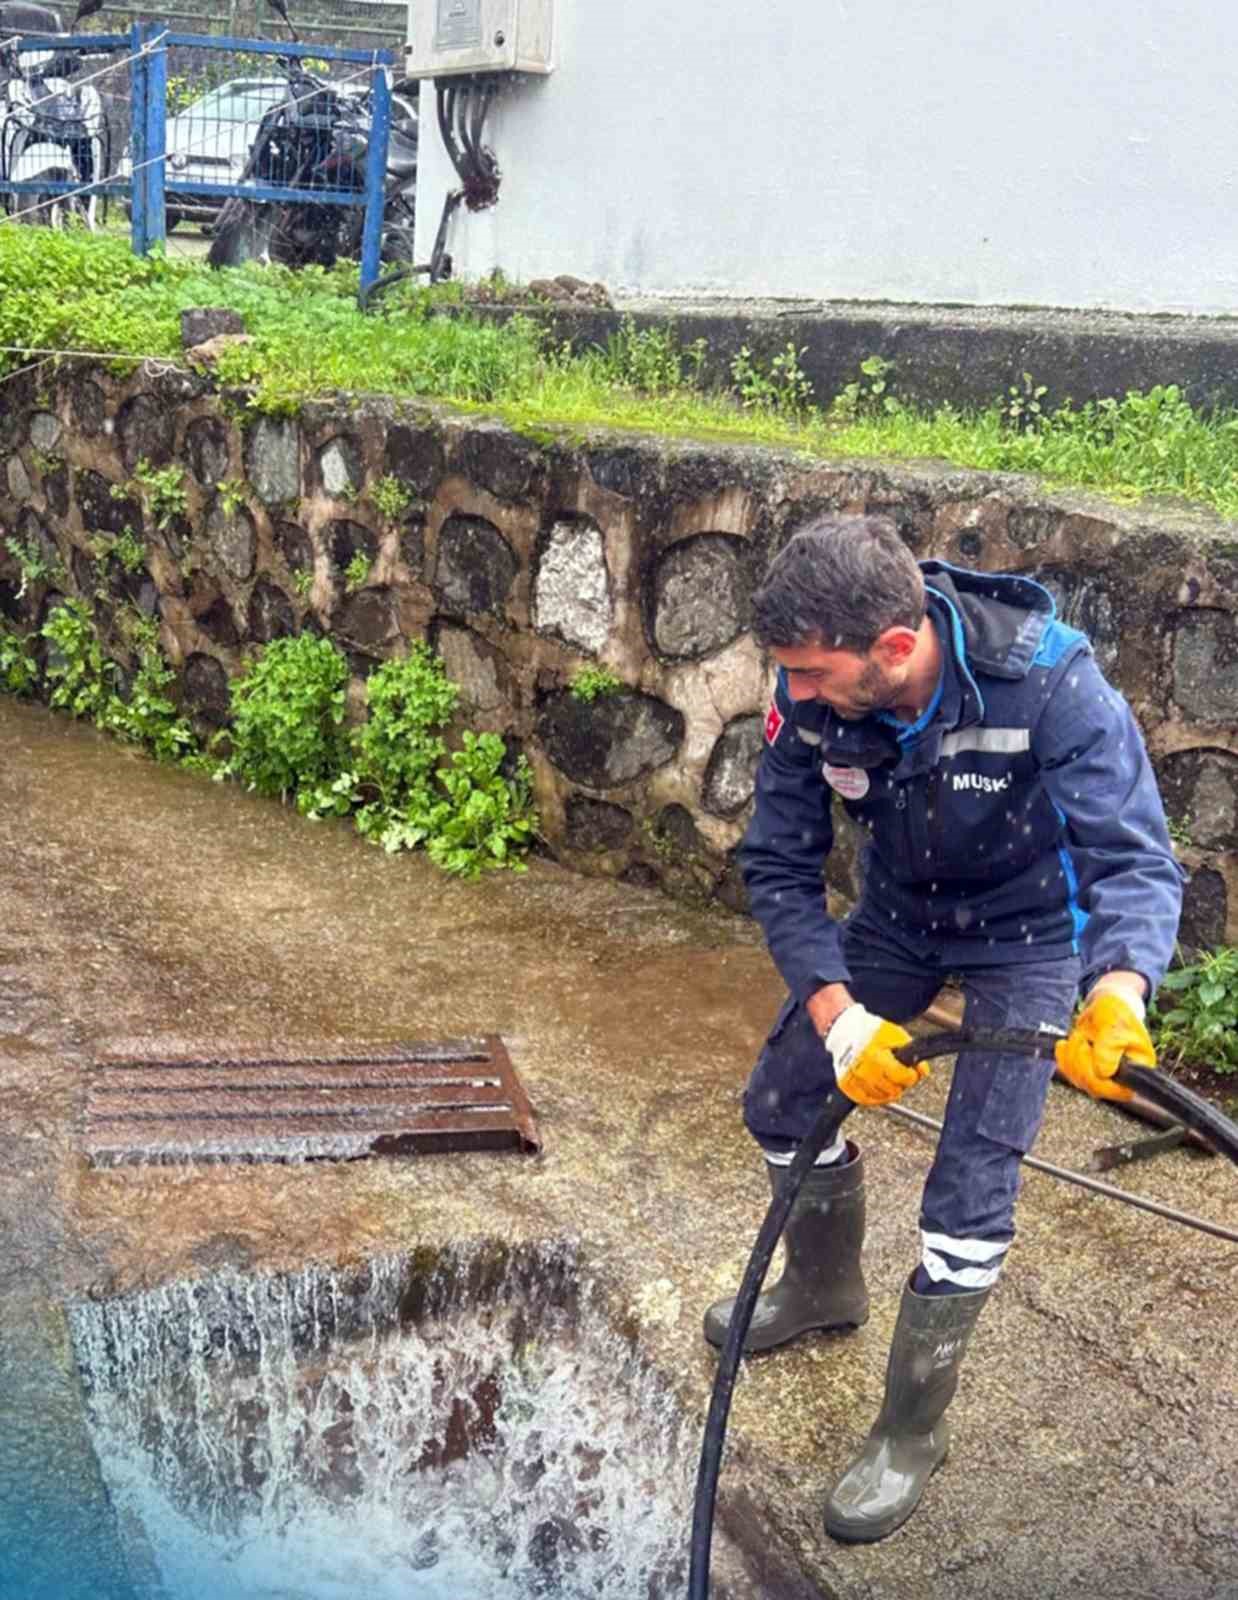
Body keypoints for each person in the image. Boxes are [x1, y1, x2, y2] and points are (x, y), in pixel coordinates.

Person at [704, 514, 1184, 1544]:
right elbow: (779, 868)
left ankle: (909, 1433)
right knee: (781, 1105)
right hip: (898, 918)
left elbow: (1133, 860)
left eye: (811, 672)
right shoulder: (809, 702)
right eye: (785, 671)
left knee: (967, 1197)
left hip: (1027, 936)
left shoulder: (1049, 681)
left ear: (890, 647)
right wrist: (835, 1021)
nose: (792, 692)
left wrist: (1118, 991)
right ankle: (824, 1285)